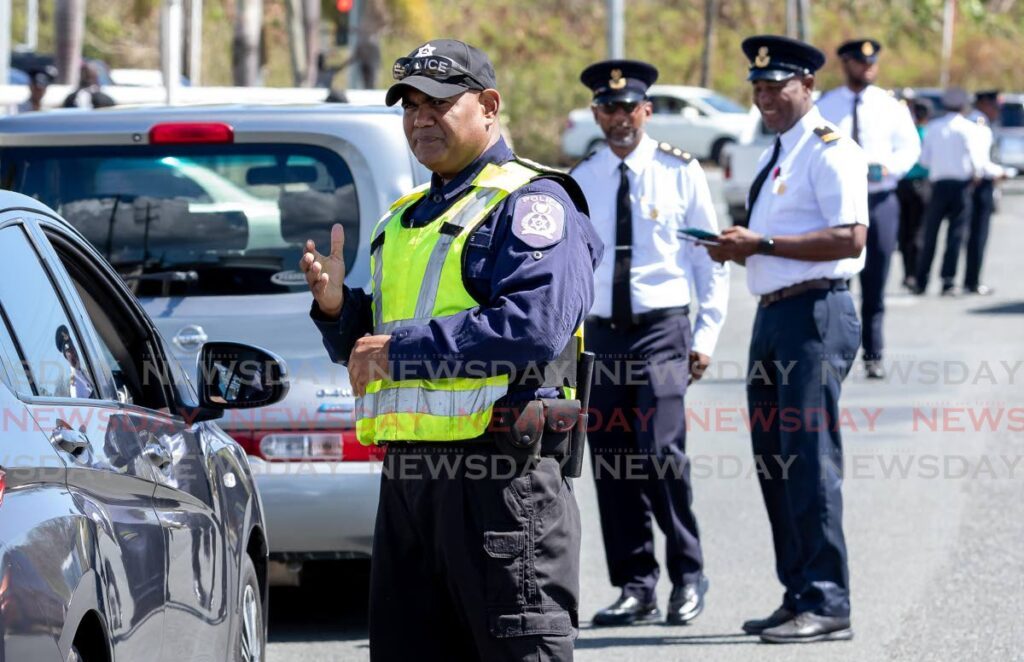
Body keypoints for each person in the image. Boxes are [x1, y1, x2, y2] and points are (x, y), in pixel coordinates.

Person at [300, 39, 602, 661]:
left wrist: (400, 351)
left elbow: (532, 327)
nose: (419, 118)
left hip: (500, 482)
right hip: (410, 481)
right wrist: (339, 311)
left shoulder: (529, 202)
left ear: (489, 106)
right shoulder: (403, 218)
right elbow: (377, 344)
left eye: (438, 101)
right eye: (409, 105)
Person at [707, 35, 867, 644]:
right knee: (775, 460)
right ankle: (798, 591)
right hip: (775, 314)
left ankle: (828, 600)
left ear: (808, 86)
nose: (767, 98)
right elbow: (775, 241)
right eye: (759, 88)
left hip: (815, 317)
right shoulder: (780, 152)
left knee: (809, 461)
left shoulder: (830, 150)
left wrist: (763, 246)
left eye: (778, 87)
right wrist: (736, 249)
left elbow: (851, 239)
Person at [569, 59, 728, 627]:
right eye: (608, 108)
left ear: (647, 110)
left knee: (661, 454)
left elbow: (709, 259)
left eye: (629, 107)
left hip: (663, 329)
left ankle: (689, 573)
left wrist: (706, 334)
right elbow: (573, 268)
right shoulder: (582, 178)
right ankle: (635, 584)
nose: (620, 118)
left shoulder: (679, 171)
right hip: (604, 335)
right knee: (612, 462)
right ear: (596, 113)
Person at [816, 39, 920, 380]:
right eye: (860, 63)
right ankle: (831, 353)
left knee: (875, 285)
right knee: (835, 281)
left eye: (872, 62)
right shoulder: (827, 105)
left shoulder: (889, 106)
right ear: (845, 64)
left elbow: (909, 147)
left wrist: (889, 166)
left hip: (879, 199)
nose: (868, 68)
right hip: (838, 204)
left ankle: (873, 354)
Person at [913, 87, 983, 296]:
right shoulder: (969, 128)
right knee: (955, 235)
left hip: (937, 186)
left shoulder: (934, 127)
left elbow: (924, 160)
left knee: (930, 234)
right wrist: (976, 175)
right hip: (960, 186)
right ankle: (948, 281)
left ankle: (921, 280)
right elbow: (976, 160)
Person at [963, 90, 1018, 295]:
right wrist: (1002, 172)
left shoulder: (973, 122)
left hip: (972, 185)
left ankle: (966, 279)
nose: (998, 112)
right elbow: (981, 162)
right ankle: (972, 280)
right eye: (996, 107)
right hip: (979, 185)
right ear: (985, 104)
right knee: (977, 235)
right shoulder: (979, 125)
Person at [896, 98, 933, 290]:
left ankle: (907, 273)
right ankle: (916, 274)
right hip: (922, 184)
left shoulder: (904, 133)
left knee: (904, 232)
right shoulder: (928, 134)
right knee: (919, 231)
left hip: (901, 184)